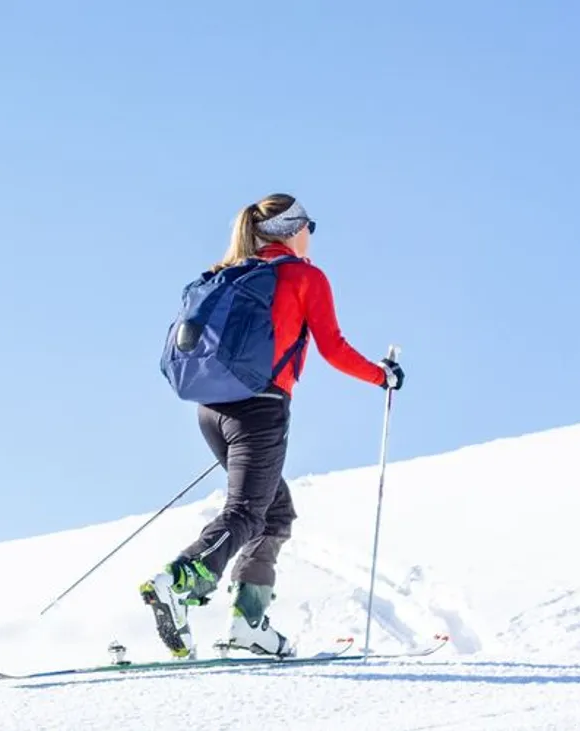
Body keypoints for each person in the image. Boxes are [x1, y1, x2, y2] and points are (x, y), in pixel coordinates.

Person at [140, 193, 402, 659]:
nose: (311, 237)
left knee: (274, 511)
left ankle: (248, 623)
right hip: (260, 409)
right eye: (310, 227)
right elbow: (333, 348)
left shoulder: (226, 275)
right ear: (293, 229)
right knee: (245, 512)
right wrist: (382, 376)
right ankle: (179, 582)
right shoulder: (303, 276)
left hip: (211, 411)